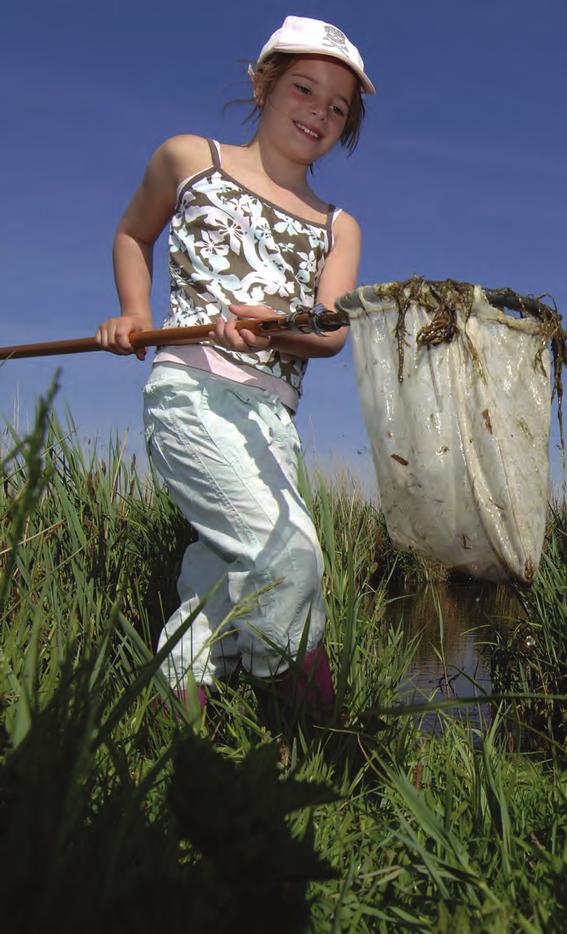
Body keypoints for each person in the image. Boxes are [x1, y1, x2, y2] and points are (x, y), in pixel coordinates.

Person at [96, 15, 375, 710]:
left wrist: (278, 331)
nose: (318, 112)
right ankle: (308, 726)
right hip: (191, 393)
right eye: (303, 89)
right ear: (261, 84)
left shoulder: (339, 226)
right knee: (290, 555)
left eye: (337, 107)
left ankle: (173, 715)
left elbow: (332, 331)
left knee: (220, 581)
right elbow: (134, 234)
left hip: (273, 423)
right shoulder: (191, 158)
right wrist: (135, 314)